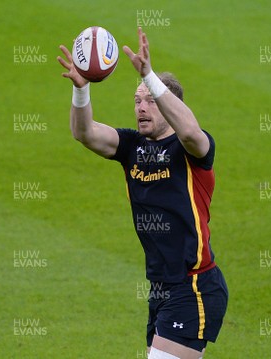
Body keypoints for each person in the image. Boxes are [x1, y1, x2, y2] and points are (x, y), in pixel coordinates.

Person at [57, 27, 228, 359]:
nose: (142, 108)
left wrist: (149, 76)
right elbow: (85, 134)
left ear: (169, 105)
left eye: (150, 100)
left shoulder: (191, 150)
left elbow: (190, 130)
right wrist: (81, 90)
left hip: (194, 286)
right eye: (137, 101)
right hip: (161, 287)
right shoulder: (131, 146)